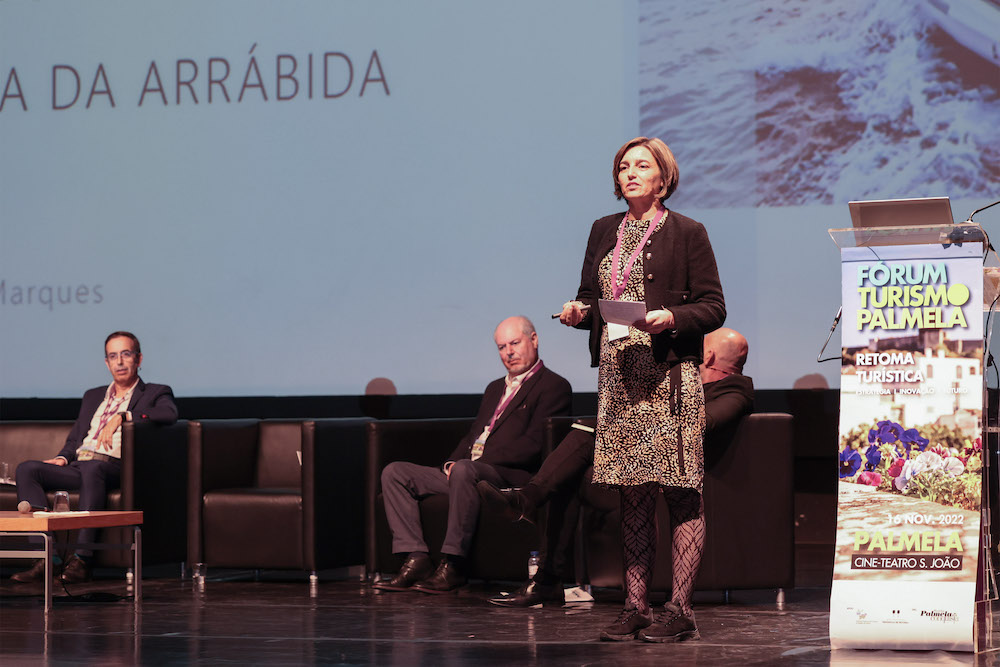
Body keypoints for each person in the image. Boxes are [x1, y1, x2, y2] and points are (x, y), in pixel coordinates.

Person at [558, 137, 725, 642]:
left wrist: (671, 317)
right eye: (623, 166)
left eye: (641, 166)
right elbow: (592, 297)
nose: (630, 173)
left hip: (668, 377)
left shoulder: (688, 231)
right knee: (633, 495)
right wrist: (578, 312)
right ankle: (636, 606)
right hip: (620, 378)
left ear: (663, 179)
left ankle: (681, 610)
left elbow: (713, 307)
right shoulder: (603, 229)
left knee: (681, 493)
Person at [481, 327, 753, 609]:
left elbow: (699, 423)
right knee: (576, 455)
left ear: (708, 355)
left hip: (671, 471)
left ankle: (529, 505)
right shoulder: (684, 382)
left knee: (586, 438)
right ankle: (545, 569)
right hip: (642, 458)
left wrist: (639, 421)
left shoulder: (735, 389)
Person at [372, 316, 572, 594]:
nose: (509, 352)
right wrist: (451, 463)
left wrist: (472, 464)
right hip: (469, 471)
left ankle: (454, 565)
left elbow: (535, 444)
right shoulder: (494, 388)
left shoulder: (553, 385)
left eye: (515, 343)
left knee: (465, 470)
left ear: (534, 340)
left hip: (507, 475)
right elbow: (474, 435)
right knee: (395, 473)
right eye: (502, 347)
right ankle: (416, 558)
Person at [11, 331, 178, 584]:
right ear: (106, 363)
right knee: (27, 469)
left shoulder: (155, 392)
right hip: (81, 465)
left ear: (139, 359)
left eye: (126, 354)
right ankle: (46, 558)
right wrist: (62, 458)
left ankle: (82, 560)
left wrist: (124, 416)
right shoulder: (93, 395)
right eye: (113, 356)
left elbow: (169, 414)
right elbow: (76, 438)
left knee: (93, 468)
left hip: (116, 467)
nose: (119, 362)